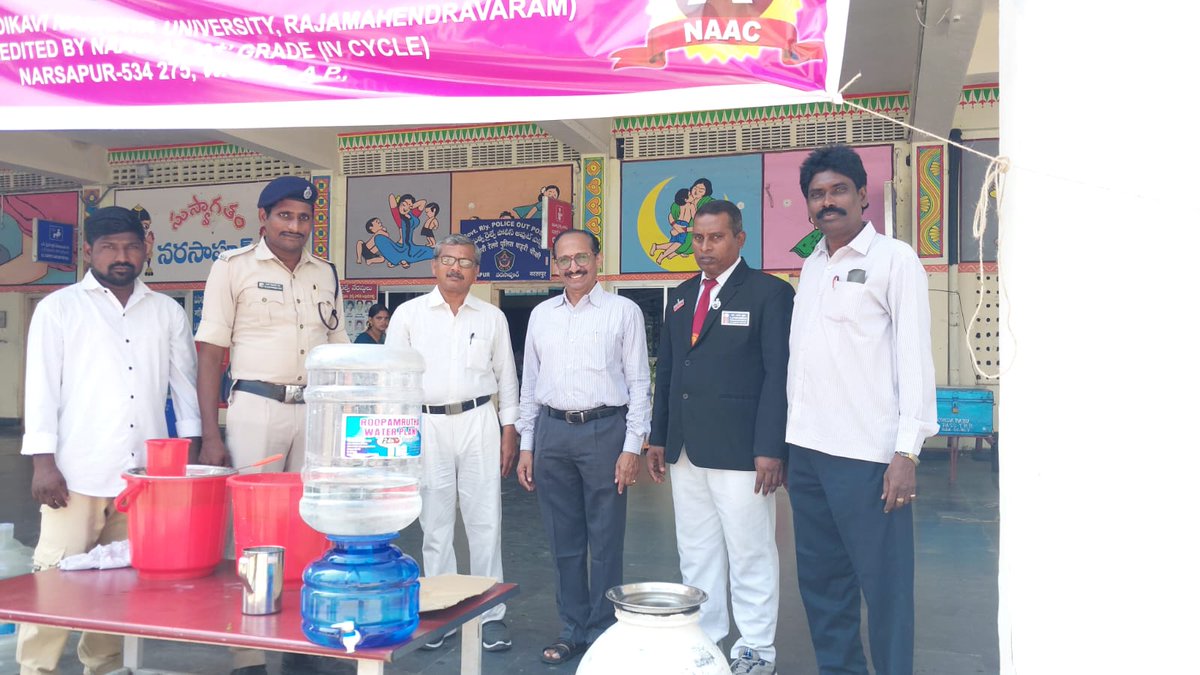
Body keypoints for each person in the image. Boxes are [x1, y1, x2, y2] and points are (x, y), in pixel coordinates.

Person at [17, 206, 201, 674]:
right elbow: (40, 388)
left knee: (120, 586)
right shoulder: (59, 309)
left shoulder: (165, 312)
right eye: (110, 247)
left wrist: (189, 460)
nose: (122, 256)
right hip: (75, 473)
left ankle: (104, 668)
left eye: (131, 246)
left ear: (146, 249)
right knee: (53, 582)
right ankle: (35, 669)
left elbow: (185, 389)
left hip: (141, 478)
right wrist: (43, 463)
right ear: (89, 252)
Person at [785, 145, 939, 675]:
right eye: (817, 194)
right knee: (823, 584)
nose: (827, 202)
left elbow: (915, 360)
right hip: (807, 453)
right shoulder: (810, 266)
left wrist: (906, 452)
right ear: (808, 206)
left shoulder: (894, 260)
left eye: (838, 190)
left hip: (869, 456)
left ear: (861, 196)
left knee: (886, 586)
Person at [193, 176, 350, 675]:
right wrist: (210, 434)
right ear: (263, 218)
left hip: (315, 411)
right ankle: (250, 655)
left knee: (313, 522)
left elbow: (339, 349)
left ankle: (303, 641)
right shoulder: (232, 268)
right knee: (255, 530)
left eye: (303, 218)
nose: (295, 226)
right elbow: (211, 354)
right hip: (256, 408)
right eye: (285, 216)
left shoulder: (324, 272)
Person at [647, 200, 792, 675]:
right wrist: (659, 437)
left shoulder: (769, 294)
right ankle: (706, 639)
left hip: (742, 451)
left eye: (716, 238)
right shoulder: (683, 293)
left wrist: (771, 447)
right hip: (688, 449)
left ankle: (755, 649)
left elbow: (778, 376)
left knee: (750, 550)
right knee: (697, 548)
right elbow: (669, 371)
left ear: (739, 239)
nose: (705, 248)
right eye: (699, 238)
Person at [515, 229, 651, 666]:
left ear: (597, 257)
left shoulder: (623, 312)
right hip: (553, 433)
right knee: (563, 541)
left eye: (582, 257)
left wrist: (633, 447)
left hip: (605, 431)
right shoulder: (541, 315)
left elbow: (639, 383)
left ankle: (605, 632)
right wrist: (527, 444)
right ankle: (573, 630)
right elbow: (530, 383)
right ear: (555, 264)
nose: (573, 267)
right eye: (564, 260)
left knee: (607, 539)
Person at [386, 234, 520, 653]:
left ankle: (489, 615)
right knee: (435, 524)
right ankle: (441, 612)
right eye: (447, 260)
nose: (455, 268)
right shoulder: (409, 315)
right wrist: (398, 438)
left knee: (485, 520)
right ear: (434, 265)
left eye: (464, 262)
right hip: (427, 424)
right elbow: (393, 380)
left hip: (479, 419)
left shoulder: (491, 316)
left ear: (476, 271)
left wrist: (509, 428)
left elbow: (507, 376)